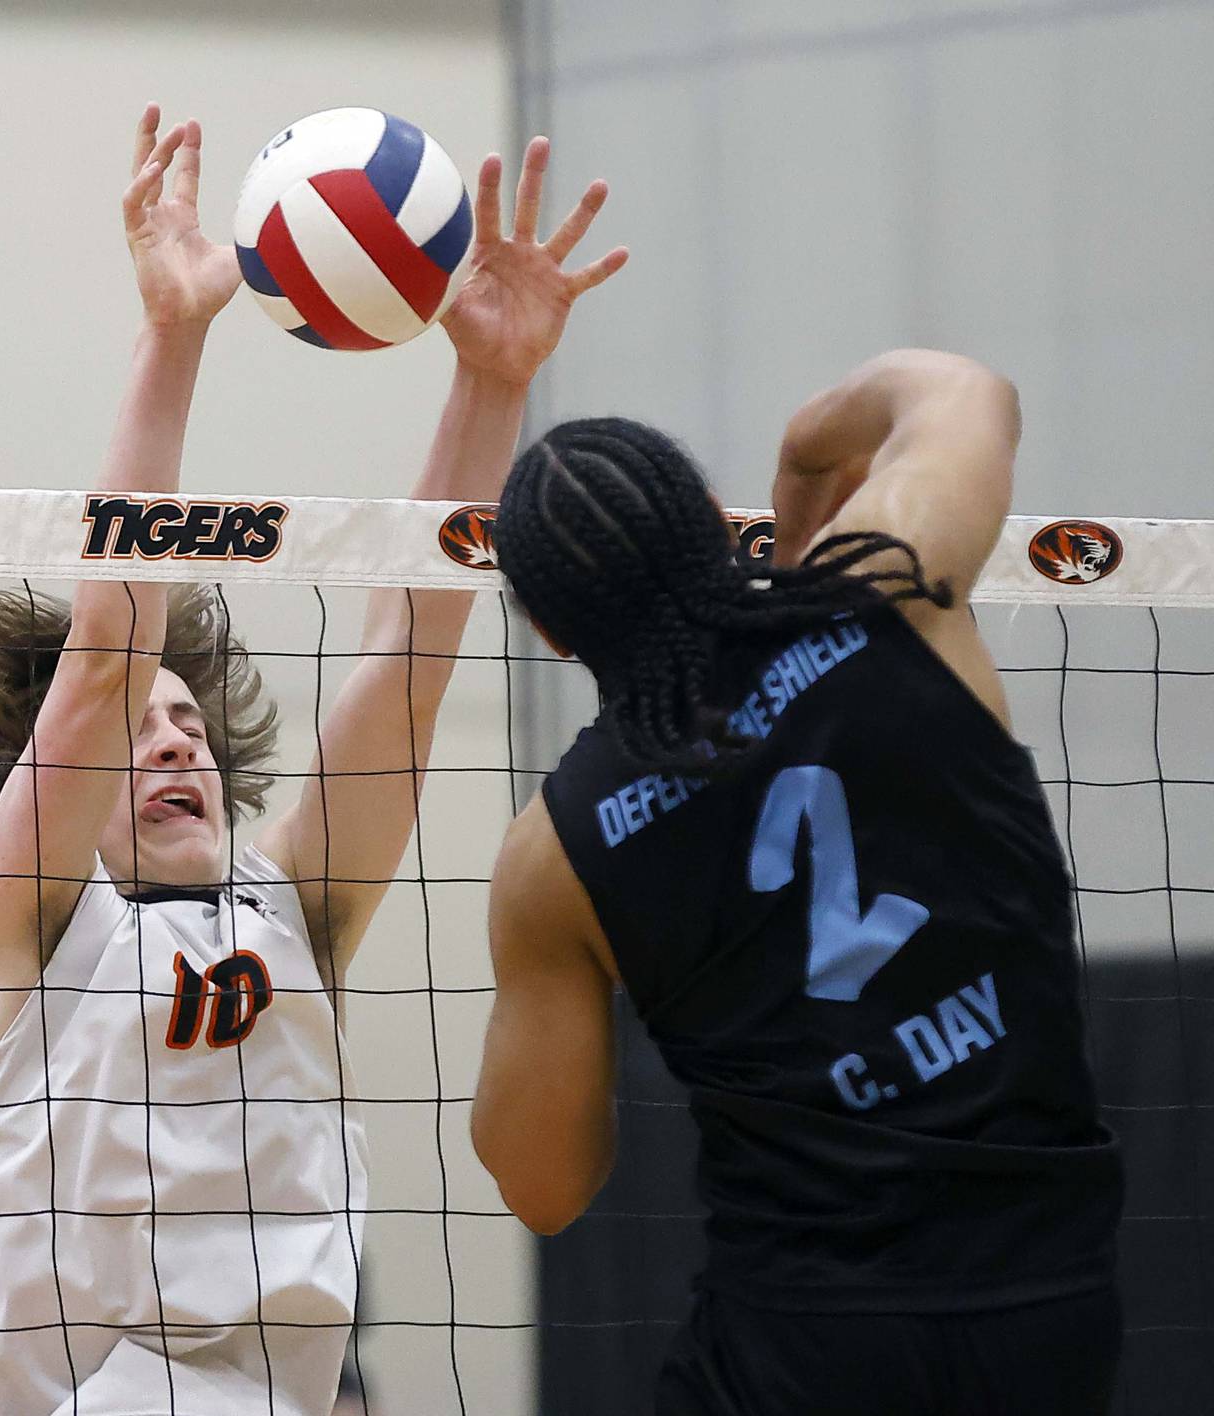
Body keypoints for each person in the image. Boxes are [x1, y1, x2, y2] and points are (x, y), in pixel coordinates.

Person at [0, 103, 625, 1416]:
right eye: (144, 725)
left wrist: (493, 384)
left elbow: (407, 664)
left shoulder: (289, 905)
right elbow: (105, 653)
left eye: (190, 721)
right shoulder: (24, 924)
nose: (173, 732)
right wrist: (176, 333)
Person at [471, 352, 1125, 1415]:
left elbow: (544, 1189)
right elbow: (967, 392)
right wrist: (805, 454)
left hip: (800, 1341)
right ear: (708, 529)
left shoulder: (556, 853)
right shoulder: (889, 590)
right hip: (1048, 1302)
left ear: (552, 632)